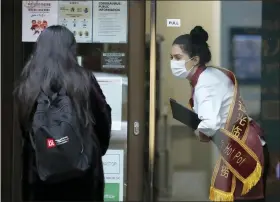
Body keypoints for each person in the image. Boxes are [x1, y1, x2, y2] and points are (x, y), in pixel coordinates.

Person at [170, 26, 269, 202]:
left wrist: (197, 128)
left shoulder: (205, 84)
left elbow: (210, 124)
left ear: (194, 59)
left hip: (244, 154)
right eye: (171, 58)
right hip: (248, 145)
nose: (173, 62)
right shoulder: (211, 74)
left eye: (178, 58)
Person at [14, 25, 112, 201]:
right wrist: (95, 148)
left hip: (40, 173)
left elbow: (24, 127)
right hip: (82, 173)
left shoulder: (29, 84)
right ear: (71, 49)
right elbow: (103, 117)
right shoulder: (83, 80)